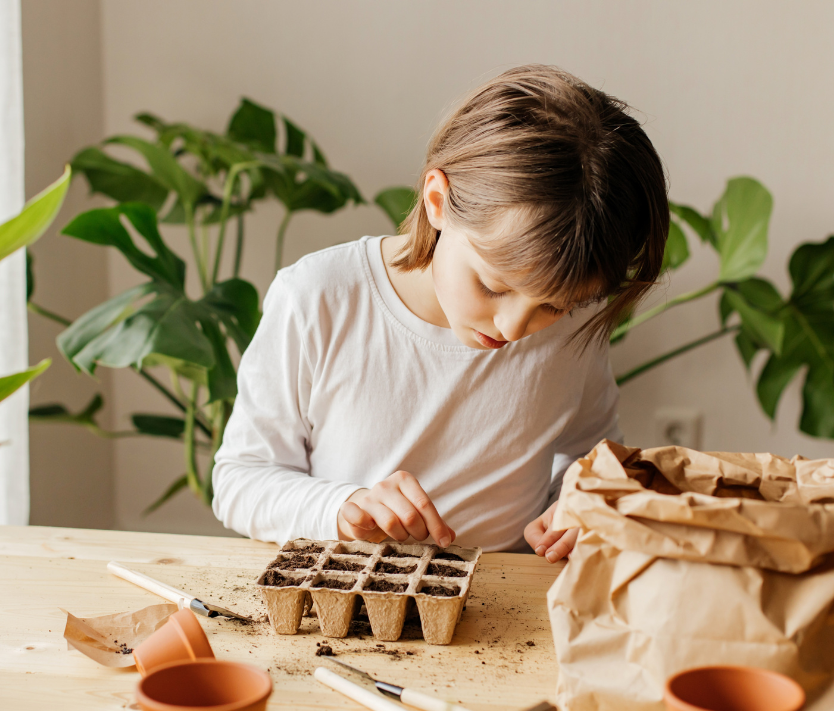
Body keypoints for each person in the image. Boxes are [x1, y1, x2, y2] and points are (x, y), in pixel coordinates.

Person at [211, 65, 668, 561]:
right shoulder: (320, 297)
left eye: (555, 305)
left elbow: (588, 456)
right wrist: (341, 507)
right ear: (437, 201)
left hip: (508, 602)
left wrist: (579, 501)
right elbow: (239, 481)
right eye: (494, 286)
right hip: (349, 599)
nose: (515, 328)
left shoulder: (575, 324)